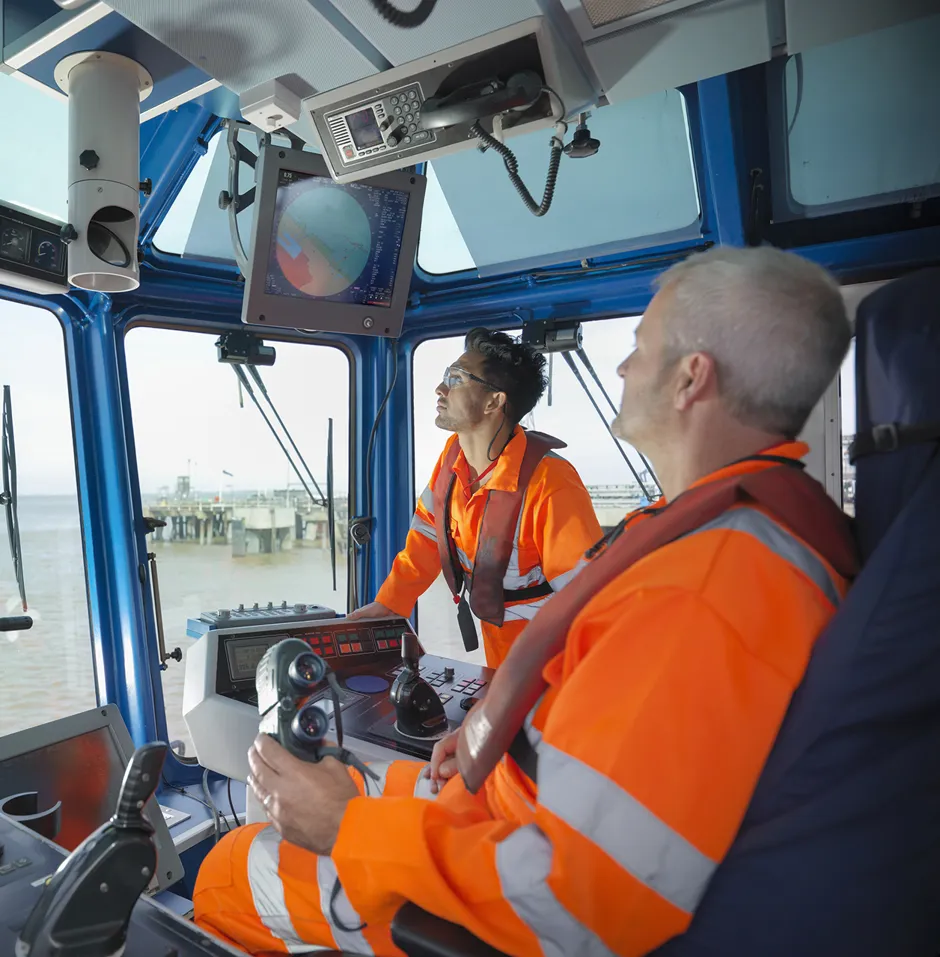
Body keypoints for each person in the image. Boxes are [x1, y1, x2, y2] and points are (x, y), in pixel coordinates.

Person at [193, 246, 856, 957]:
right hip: (506, 790)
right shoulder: (728, 533)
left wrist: (348, 829)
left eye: (640, 348)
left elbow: (574, 899)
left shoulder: (702, 586)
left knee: (228, 872)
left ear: (693, 378)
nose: (624, 368)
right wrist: (490, 733)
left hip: (497, 875)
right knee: (362, 774)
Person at [345, 327, 602, 668]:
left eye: (457, 378)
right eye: (445, 376)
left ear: (495, 401)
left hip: (555, 665)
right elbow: (426, 535)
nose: (440, 388)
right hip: (500, 660)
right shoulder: (453, 459)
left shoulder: (551, 482)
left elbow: (589, 600)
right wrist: (392, 604)